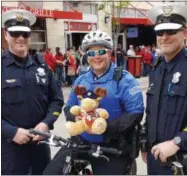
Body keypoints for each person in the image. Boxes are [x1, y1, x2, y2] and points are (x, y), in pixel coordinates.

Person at [62, 30, 144, 175]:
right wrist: (77, 119)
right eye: (91, 53)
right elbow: (69, 108)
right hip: (81, 142)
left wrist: (104, 128)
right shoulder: (81, 80)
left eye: (101, 51)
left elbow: (135, 114)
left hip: (113, 145)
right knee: (52, 171)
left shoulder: (125, 80)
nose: (96, 57)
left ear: (110, 53)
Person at [1, 9, 64, 175]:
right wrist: (11, 131)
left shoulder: (42, 67)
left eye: (25, 33)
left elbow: (56, 100)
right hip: (9, 149)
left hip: (40, 146)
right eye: (15, 33)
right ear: (6, 34)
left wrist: (46, 123)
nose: (21, 38)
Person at [141, 3, 187, 175]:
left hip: (181, 160)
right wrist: (145, 141)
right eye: (160, 32)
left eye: (171, 31)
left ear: (184, 33)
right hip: (156, 158)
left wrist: (177, 142)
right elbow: (151, 111)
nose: (165, 37)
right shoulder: (157, 69)